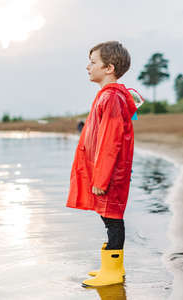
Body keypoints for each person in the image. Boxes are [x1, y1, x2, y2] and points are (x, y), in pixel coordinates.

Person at [66, 41, 138, 287]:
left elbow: (111, 140)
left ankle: (114, 272)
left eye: (93, 62)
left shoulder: (112, 98)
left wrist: (101, 178)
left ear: (109, 68)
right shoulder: (106, 96)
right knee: (107, 218)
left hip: (111, 174)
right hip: (106, 172)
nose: (88, 67)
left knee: (112, 218)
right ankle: (110, 267)